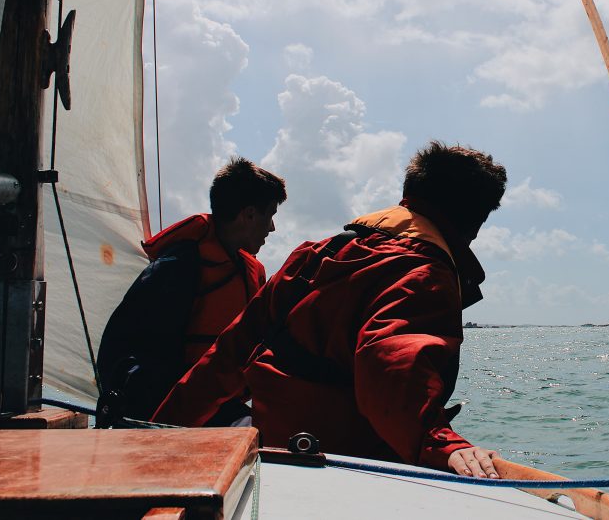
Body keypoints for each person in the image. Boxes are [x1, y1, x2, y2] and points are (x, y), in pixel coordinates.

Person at [152, 141, 506, 478]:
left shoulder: (319, 253)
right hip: (346, 468)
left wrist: (160, 433)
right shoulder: (425, 274)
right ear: (473, 223)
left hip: (276, 452)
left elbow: (229, 353)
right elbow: (389, 367)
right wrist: (442, 445)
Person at [97, 157, 286, 423]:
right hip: (170, 413)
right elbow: (121, 351)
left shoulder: (248, 271)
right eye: (271, 215)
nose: (272, 228)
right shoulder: (179, 267)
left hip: (216, 406)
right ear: (249, 215)